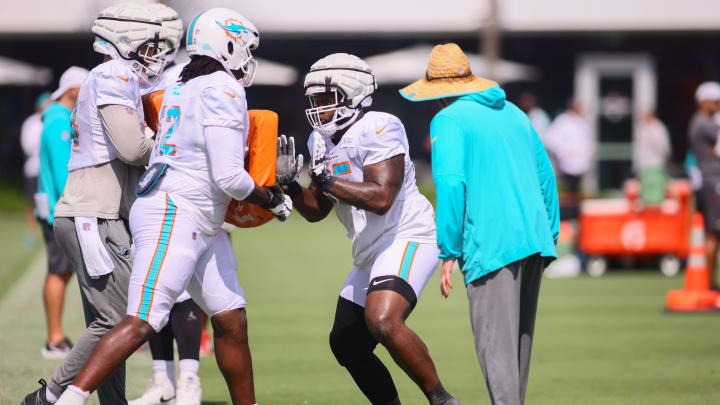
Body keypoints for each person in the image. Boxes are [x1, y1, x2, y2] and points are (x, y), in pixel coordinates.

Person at [50, 8, 292, 405]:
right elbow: (229, 177)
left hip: (194, 213)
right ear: (228, 43)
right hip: (176, 212)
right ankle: (69, 398)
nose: (248, 57)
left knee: (231, 317)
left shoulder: (180, 81)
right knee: (142, 320)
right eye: (245, 47)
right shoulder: (223, 88)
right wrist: (274, 197)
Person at [276, 53, 460, 405]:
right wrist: (291, 187)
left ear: (352, 93)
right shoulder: (319, 139)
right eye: (313, 99)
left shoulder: (379, 125)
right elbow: (318, 211)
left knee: (383, 320)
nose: (317, 108)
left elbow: (381, 198)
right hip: (370, 249)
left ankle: (442, 400)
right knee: (346, 343)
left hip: (406, 235)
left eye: (325, 99)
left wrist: (326, 179)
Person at [21, 4, 173, 405]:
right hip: (94, 213)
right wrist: (166, 141)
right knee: (120, 319)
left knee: (108, 323)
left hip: (96, 211)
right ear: (124, 41)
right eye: (148, 45)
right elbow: (132, 147)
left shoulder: (111, 77)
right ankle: (49, 397)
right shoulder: (112, 75)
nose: (154, 54)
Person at [400, 43, 559, 405]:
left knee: (497, 356)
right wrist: (548, 233)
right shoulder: (516, 113)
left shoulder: (447, 120)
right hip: (534, 239)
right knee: (516, 357)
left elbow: (452, 183)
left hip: (491, 243)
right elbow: (546, 177)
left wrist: (448, 250)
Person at [128, 6, 203, 405]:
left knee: (185, 291)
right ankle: (164, 380)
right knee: (158, 293)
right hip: (152, 193)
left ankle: (189, 379)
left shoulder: (185, 76)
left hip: (189, 192)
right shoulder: (135, 78)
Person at [36, 67, 89, 359]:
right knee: (59, 271)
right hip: (58, 211)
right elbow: (62, 173)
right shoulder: (59, 123)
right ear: (72, 91)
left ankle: (56, 337)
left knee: (62, 271)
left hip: (55, 208)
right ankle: (55, 338)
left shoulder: (56, 118)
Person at [688, 81, 720, 288]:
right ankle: (709, 284)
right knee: (714, 231)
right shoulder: (703, 123)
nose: (718, 106)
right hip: (713, 181)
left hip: (712, 181)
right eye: (716, 102)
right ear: (704, 101)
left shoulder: (703, 122)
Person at [542, 98, 594, 219]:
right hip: (566, 165)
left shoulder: (582, 122)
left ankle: (575, 216)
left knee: (576, 193)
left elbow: (587, 142)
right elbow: (550, 139)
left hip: (580, 165)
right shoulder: (563, 121)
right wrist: (564, 151)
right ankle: (566, 216)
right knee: (567, 193)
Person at [21, 92, 50, 247]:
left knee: (48, 200)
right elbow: (28, 146)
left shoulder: (51, 120)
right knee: (32, 203)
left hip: (47, 169)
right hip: (34, 169)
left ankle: (48, 228)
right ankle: (31, 232)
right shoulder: (31, 123)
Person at [634, 110, 672, 205]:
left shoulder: (658, 128)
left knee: (656, 197)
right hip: (645, 168)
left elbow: (664, 148)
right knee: (646, 198)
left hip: (656, 166)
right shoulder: (643, 128)